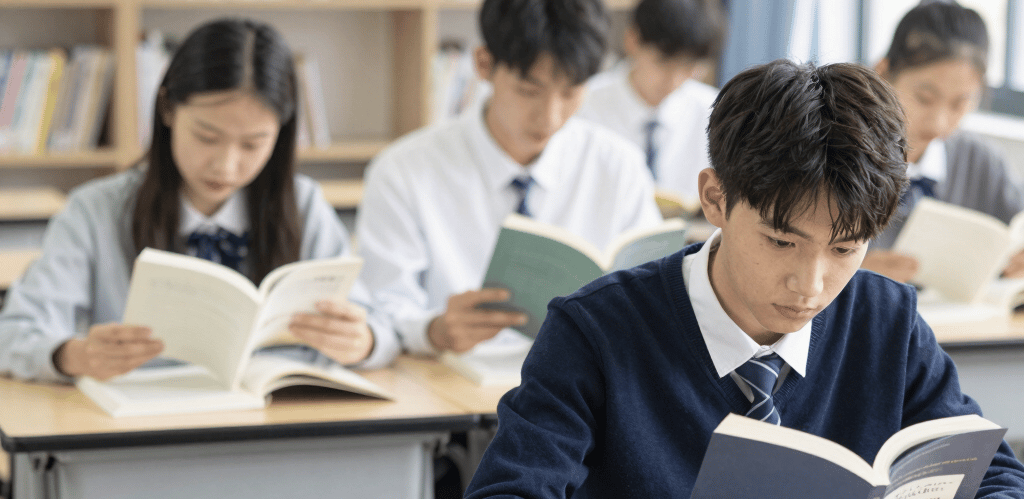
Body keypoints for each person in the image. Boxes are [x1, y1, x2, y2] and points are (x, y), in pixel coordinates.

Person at [464, 59, 1024, 497]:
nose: (809, 285)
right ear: (715, 198)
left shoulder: (888, 322)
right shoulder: (594, 332)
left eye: (845, 248)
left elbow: (993, 475)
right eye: (782, 242)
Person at [0, 19, 397, 382]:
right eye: (206, 137)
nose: (225, 165)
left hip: (279, 427)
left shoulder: (303, 205)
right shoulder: (96, 211)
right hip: (140, 437)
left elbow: (381, 326)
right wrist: (73, 355)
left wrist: (362, 341)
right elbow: (14, 334)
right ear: (168, 108)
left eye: (253, 144)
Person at [356, 0, 662, 357]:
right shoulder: (403, 172)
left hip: (585, 388)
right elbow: (381, 311)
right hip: (454, 386)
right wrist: (434, 330)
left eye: (570, 92)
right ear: (484, 64)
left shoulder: (618, 166)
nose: (549, 117)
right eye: (529, 91)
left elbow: (651, 293)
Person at [862, 0, 1024, 282]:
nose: (939, 123)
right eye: (924, 98)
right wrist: (850, 273)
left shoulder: (980, 162)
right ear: (883, 73)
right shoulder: (837, 153)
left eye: (960, 103)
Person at [576, 0, 725, 201]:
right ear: (632, 39)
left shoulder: (714, 112)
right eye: (663, 62)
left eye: (688, 67)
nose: (673, 81)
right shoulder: (583, 104)